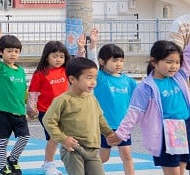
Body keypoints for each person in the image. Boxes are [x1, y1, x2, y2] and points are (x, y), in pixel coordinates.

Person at [108, 40, 190, 175]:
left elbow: (188, 55)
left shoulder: (179, 76)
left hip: (185, 127)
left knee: (181, 170)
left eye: (177, 62)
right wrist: (121, 134)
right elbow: (133, 114)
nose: (174, 66)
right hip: (167, 132)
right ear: (154, 61)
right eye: (169, 62)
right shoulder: (146, 88)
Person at [42, 57, 115, 175]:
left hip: (93, 149)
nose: (93, 82)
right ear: (72, 79)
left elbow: (99, 118)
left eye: (95, 78)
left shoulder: (92, 98)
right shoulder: (63, 100)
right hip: (73, 149)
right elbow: (48, 121)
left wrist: (109, 133)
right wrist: (63, 139)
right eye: (88, 78)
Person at [78, 29, 136, 175]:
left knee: (127, 155)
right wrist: (93, 45)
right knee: (103, 157)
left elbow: (139, 100)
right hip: (104, 126)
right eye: (115, 60)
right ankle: (83, 170)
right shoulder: (100, 78)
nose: (119, 64)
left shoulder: (128, 81)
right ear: (103, 62)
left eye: (121, 60)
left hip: (123, 126)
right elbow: (91, 65)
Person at [0, 25, 30, 175]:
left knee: (25, 137)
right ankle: (2, 167)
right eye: (9, 51)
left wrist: (31, 105)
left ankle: (12, 159)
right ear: (1, 52)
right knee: (2, 142)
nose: (13, 54)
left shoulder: (20, 71)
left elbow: (24, 91)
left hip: (19, 111)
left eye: (16, 51)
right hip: (1, 112)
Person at [26, 41, 70, 175]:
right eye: (55, 56)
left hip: (65, 110)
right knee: (54, 137)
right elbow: (33, 92)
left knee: (65, 138)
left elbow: (79, 64)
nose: (58, 59)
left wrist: (81, 49)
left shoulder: (66, 70)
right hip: (46, 111)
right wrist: (31, 108)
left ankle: (68, 162)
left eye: (61, 56)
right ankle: (48, 164)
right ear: (46, 57)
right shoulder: (40, 73)